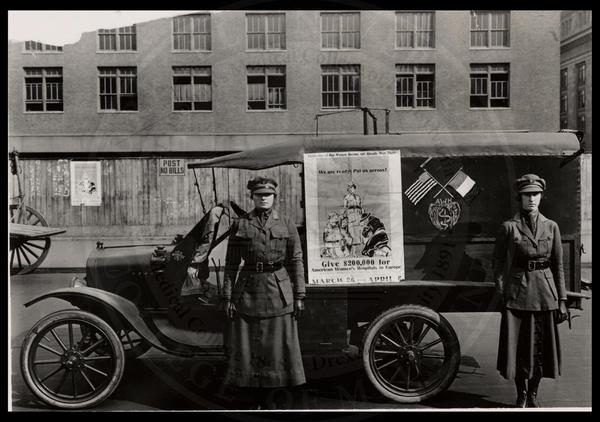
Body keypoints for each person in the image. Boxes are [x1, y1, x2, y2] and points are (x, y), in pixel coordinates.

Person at [221, 176, 306, 409]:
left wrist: (299, 295)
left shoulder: (286, 223)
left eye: (268, 195)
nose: (264, 198)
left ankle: (274, 399)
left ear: (274, 197)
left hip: (278, 290)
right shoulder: (241, 224)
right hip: (248, 291)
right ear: (252, 197)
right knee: (248, 347)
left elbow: (296, 260)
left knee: (276, 348)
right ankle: (252, 399)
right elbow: (230, 264)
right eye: (259, 195)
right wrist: (228, 297)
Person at [493, 174, 568, 408]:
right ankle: (521, 393)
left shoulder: (551, 226)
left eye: (535, 194)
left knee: (541, 349)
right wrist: (502, 288)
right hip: (518, 294)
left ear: (541, 197)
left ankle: (533, 393)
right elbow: (496, 262)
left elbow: (558, 265)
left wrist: (562, 299)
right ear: (520, 198)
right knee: (518, 349)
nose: (532, 199)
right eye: (527, 195)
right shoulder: (508, 227)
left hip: (546, 294)